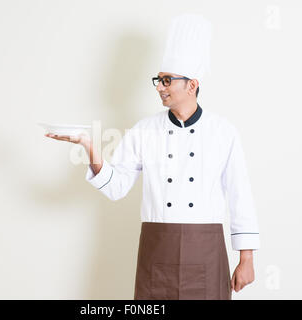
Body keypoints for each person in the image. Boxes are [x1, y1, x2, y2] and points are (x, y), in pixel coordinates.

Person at [46, 14, 260, 300]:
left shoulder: (222, 131)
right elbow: (116, 186)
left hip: (206, 246)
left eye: (167, 81)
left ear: (192, 85)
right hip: (157, 245)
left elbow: (240, 195)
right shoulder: (145, 130)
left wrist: (246, 258)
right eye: (158, 80)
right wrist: (89, 145)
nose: (160, 87)